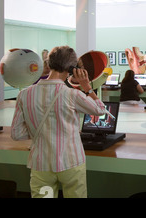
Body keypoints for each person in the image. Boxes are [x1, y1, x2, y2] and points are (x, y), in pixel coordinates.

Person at [11, 46, 108, 198]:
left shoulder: (24, 94)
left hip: (40, 163)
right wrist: (87, 87)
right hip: (71, 161)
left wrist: (42, 133)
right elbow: (100, 110)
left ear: (48, 65)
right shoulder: (72, 94)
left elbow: (16, 134)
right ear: (71, 68)